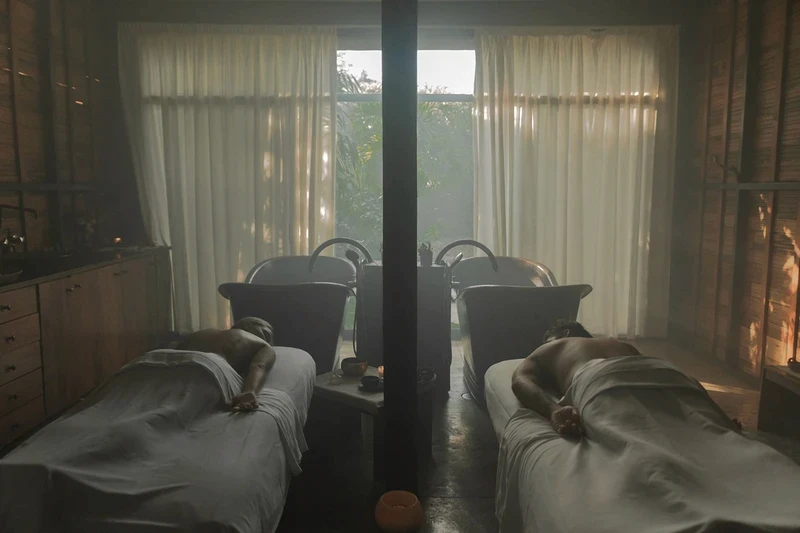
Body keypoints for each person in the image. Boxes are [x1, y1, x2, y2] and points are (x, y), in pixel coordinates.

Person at [512, 319, 743, 439]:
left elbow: (519, 378)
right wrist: (718, 416)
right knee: (706, 436)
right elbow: (683, 380)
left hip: (601, 378)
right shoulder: (618, 344)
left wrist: (553, 409)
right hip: (664, 371)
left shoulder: (555, 345)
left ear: (564, 335)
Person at [177, 317, 276, 412]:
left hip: (171, 363)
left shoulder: (207, 333)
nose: (268, 342)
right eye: (266, 335)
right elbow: (259, 366)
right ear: (247, 324)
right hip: (208, 368)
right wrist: (249, 391)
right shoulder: (262, 345)